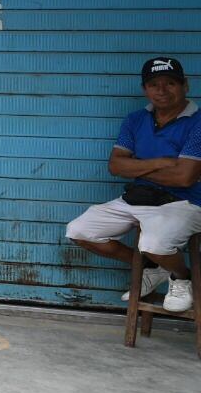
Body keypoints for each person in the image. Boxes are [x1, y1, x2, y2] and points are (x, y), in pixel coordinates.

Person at [65, 56, 201, 313]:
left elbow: (185, 178)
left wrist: (138, 166)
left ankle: (182, 276)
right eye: (154, 84)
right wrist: (163, 162)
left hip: (185, 201)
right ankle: (153, 268)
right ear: (144, 89)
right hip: (138, 197)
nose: (161, 91)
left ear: (185, 85)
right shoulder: (135, 119)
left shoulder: (199, 122)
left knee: (153, 244)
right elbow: (116, 166)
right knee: (79, 230)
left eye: (170, 83)